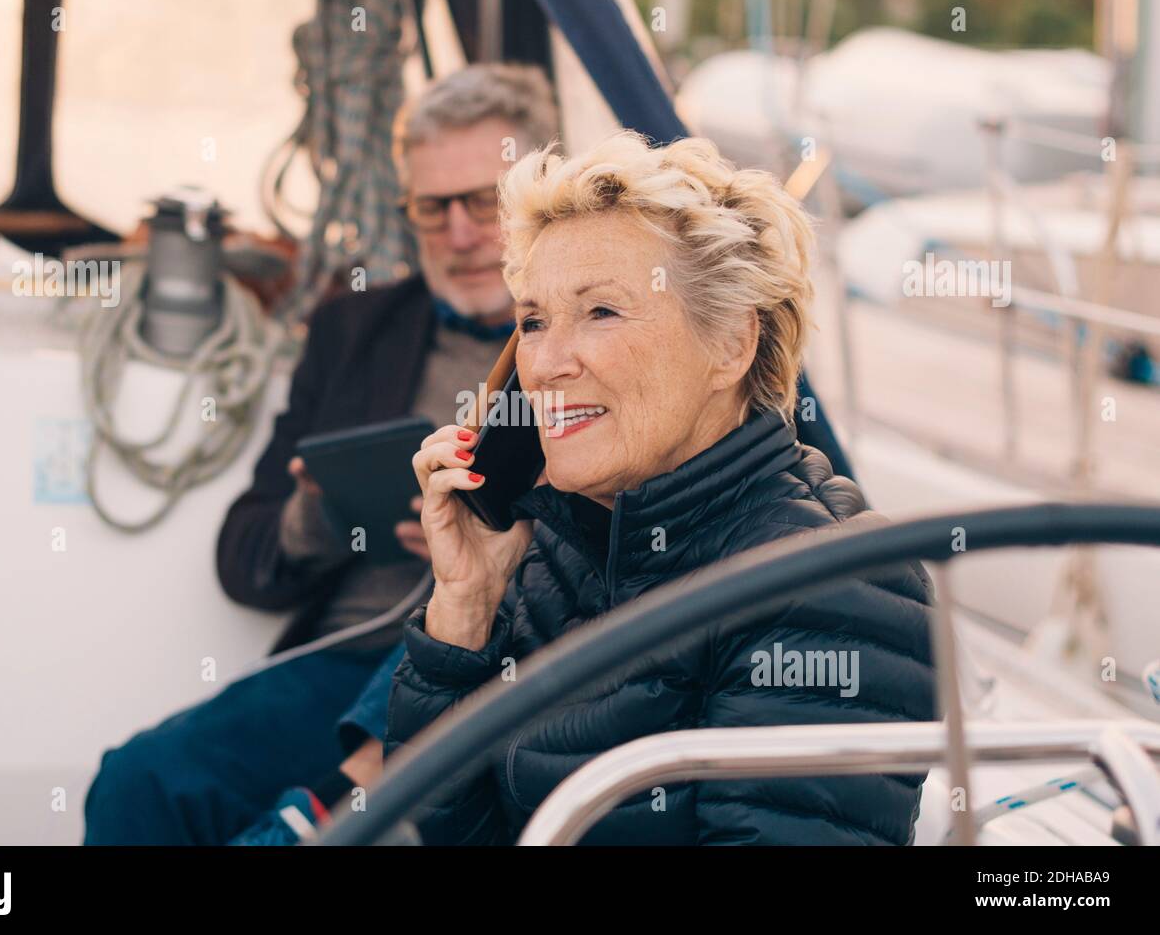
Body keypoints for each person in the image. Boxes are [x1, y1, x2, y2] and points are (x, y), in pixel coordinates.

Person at [388, 131, 937, 845]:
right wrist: (463, 610)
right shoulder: (555, 544)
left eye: (601, 311)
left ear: (732, 345)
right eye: (532, 320)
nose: (547, 363)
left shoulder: (836, 587)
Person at [83, 63, 559, 844]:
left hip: (501, 665)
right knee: (141, 781)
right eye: (433, 209)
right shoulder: (352, 329)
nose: (462, 234)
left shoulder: (579, 339)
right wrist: (322, 515)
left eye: (486, 202)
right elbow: (242, 555)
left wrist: (486, 544)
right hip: (348, 655)